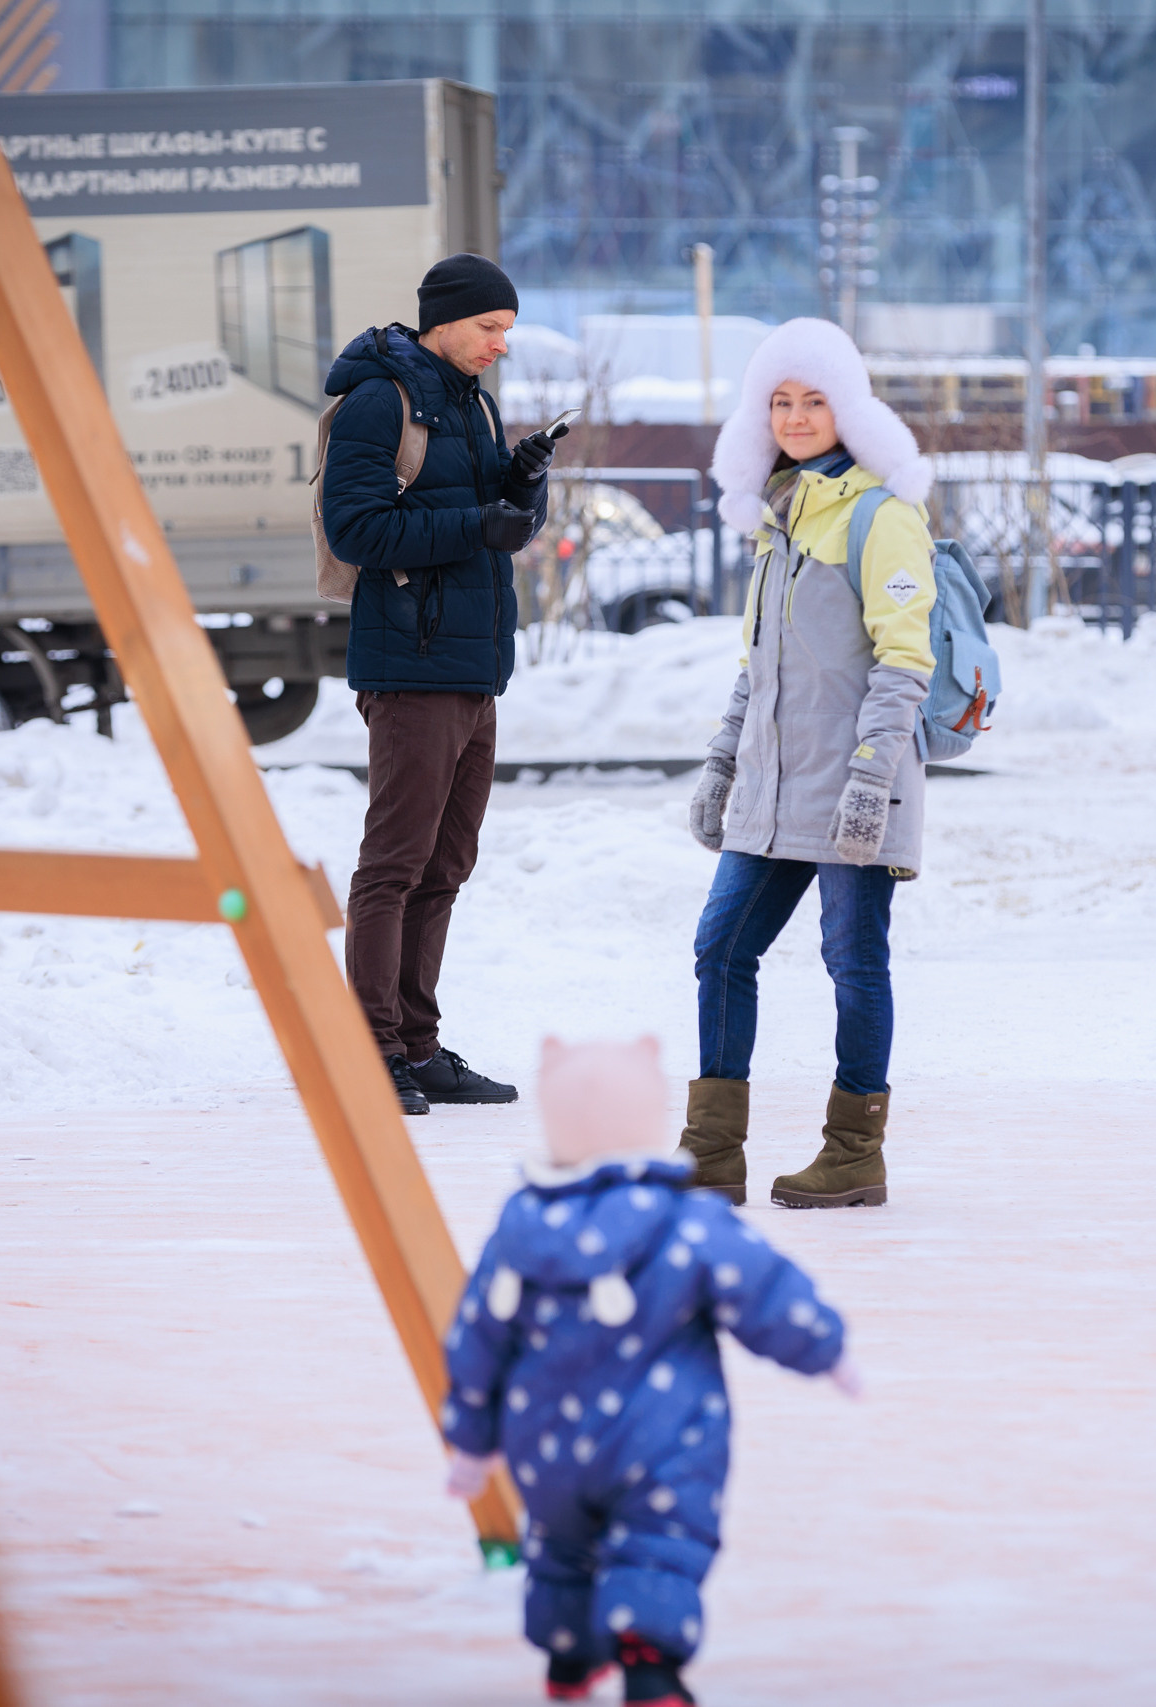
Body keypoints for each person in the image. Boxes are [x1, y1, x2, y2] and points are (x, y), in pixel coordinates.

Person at [440, 1035, 857, 1707]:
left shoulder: (518, 1229)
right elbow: (762, 1289)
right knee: (657, 1541)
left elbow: (477, 1339)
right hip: (659, 1440)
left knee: (563, 1543)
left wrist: (471, 1436)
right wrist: (825, 1346)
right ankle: (649, 1662)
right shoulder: (684, 1221)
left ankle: (568, 1657)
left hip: (546, 1447)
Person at [678, 317, 939, 1209]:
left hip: (850, 789)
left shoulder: (882, 515)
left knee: (852, 961)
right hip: (772, 788)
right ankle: (711, 1150)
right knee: (721, 947)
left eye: (814, 400)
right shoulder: (778, 517)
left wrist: (871, 780)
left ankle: (853, 1151)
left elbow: (905, 662)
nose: (795, 417)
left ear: (850, 408)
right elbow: (760, 666)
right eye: (780, 401)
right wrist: (723, 762)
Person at [322, 253, 556, 1115]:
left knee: (446, 862)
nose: (501, 343)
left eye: (506, 329)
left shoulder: (471, 401)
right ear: (445, 320)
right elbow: (356, 528)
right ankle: (370, 1047)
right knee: (394, 862)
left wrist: (522, 478)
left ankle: (416, 1045)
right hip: (410, 666)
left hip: (471, 668)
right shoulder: (382, 399)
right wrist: (476, 521)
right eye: (490, 327)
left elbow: (494, 518)